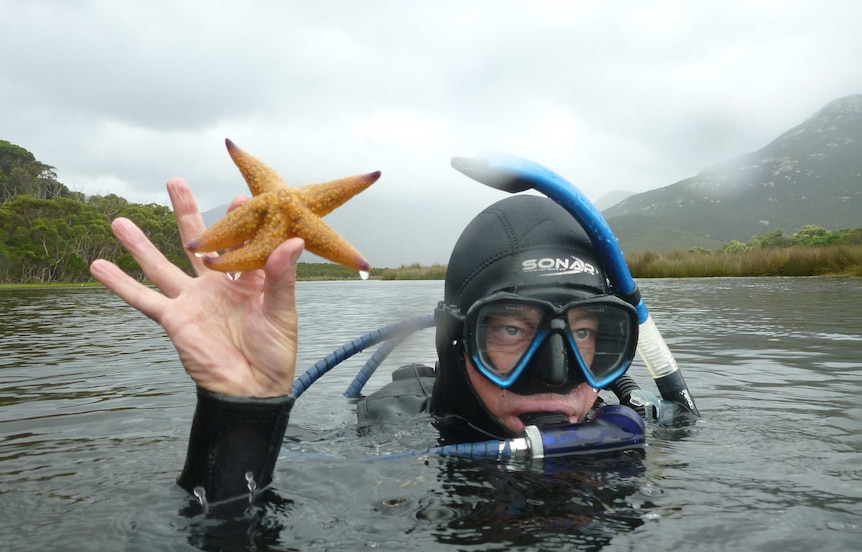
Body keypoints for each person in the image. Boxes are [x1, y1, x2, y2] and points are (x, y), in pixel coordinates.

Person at [89, 177, 652, 507]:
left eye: (584, 332)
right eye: (510, 329)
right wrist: (239, 415)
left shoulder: (648, 431)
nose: (558, 374)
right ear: (455, 339)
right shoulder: (388, 447)